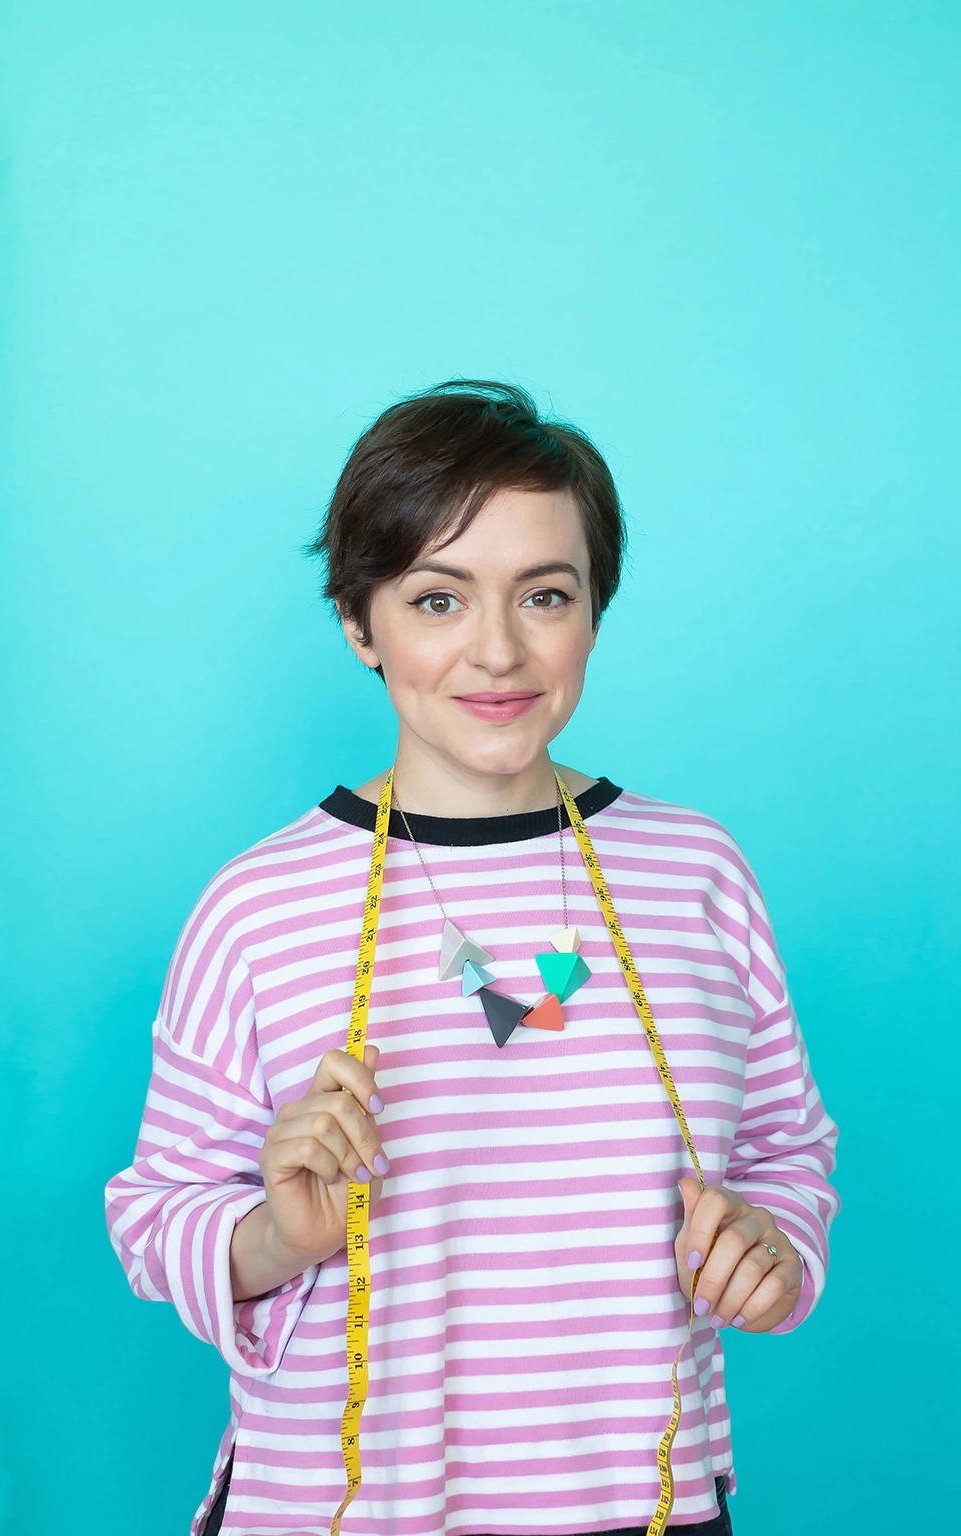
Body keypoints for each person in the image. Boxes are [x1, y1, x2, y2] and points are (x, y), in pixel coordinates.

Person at [105, 380, 840, 1536]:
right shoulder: (260, 905)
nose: (497, 650)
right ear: (360, 623)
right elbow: (155, 1216)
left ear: (594, 611)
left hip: (639, 1507)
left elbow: (786, 1152)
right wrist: (279, 1235)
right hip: (342, 1511)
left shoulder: (695, 872)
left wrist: (775, 1250)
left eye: (544, 594)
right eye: (437, 599)